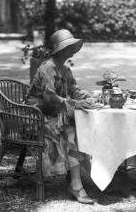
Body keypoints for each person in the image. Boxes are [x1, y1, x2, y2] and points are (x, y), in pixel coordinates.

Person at [25, 29, 96, 204]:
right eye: (69, 46)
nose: (72, 49)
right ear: (60, 49)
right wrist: (74, 104)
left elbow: (74, 90)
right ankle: (76, 184)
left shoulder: (65, 69)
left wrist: (86, 97)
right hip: (37, 117)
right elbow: (49, 98)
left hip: (54, 115)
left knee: (83, 126)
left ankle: (84, 176)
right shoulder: (48, 68)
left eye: (73, 46)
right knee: (71, 130)